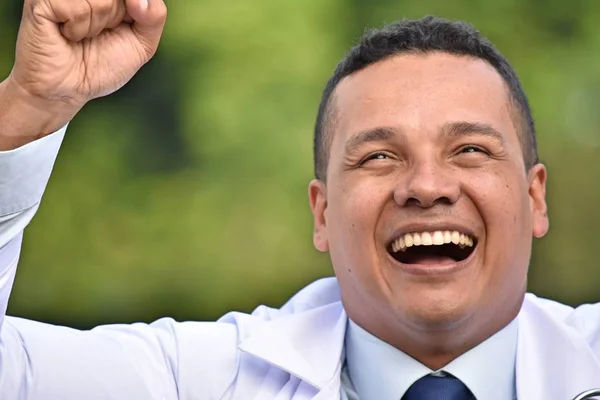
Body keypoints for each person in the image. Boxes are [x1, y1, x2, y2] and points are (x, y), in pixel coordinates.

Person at [1, 0, 599, 399]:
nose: (426, 186)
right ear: (323, 214)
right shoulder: (197, 380)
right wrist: (30, 107)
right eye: (378, 156)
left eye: (469, 149)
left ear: (534, 197)